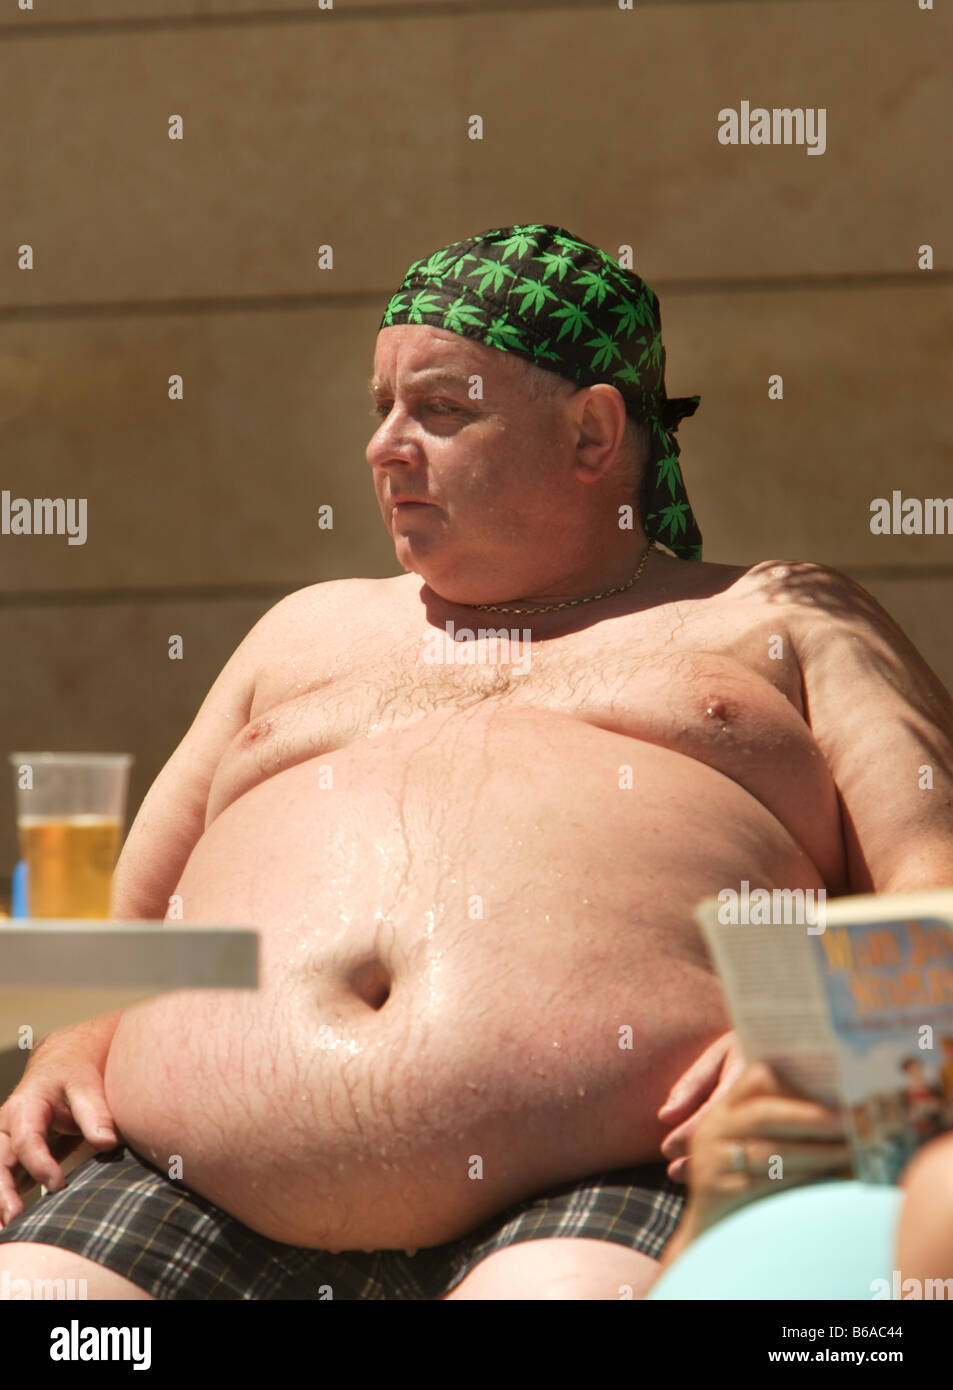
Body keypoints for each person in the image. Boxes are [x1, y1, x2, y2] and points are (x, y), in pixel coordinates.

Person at [2, 224, 952, 1301]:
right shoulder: (300, 631)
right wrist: (67, 1043)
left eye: (440, 412)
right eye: (381, 410)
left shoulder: (774, 621)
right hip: (194, 1179)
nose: (384, 446)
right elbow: (120, 926)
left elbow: (934, 890)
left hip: (598, 1174)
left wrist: (814, 1040)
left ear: (593, 434)